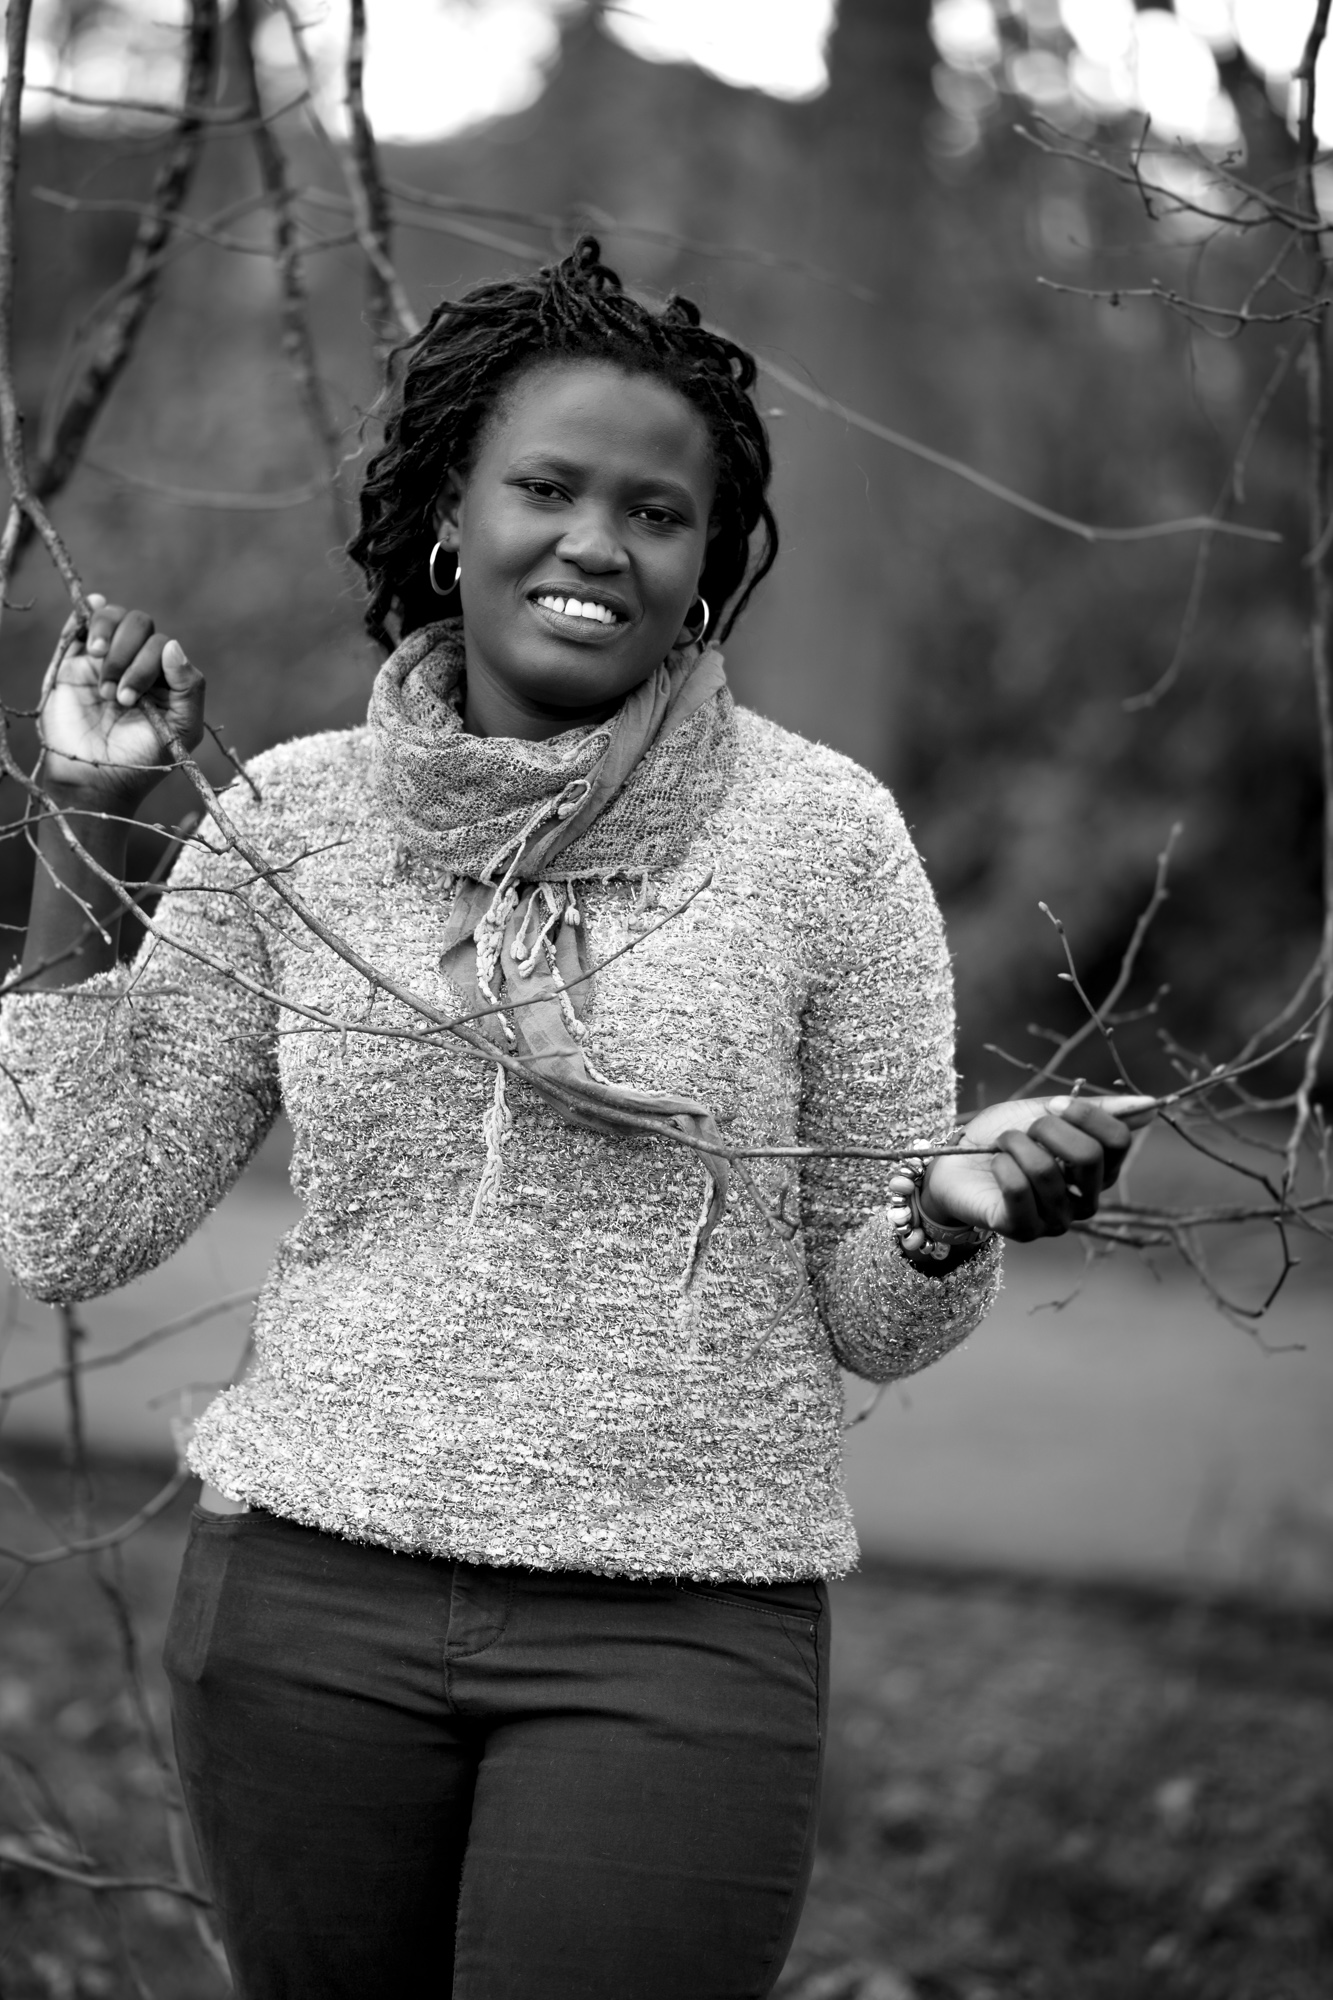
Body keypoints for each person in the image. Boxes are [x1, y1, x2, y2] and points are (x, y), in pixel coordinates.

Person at [0, 239, 1144, 2000]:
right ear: (450, 520)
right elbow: (75, 1226)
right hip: (306, 1612)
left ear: (704, 565)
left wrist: (946, 1217)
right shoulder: (295, 823)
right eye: (546, 489)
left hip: (677, 1635)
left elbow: (872, 1314)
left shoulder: (820, 840)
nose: (597, 543)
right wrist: (89, 816)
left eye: (656, 514)